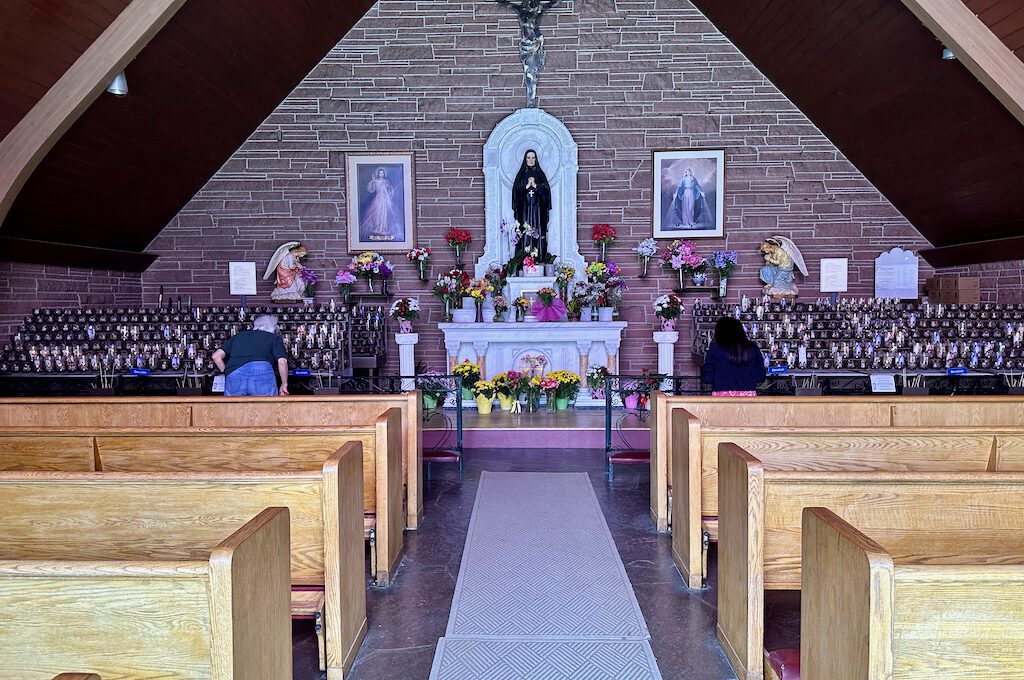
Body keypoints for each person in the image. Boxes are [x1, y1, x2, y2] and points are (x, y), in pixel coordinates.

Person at [212, 314, 289, 397]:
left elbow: (216, 356)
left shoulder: (238, 336)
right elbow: (282, 362)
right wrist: (284, 384)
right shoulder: (273, 338)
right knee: (267, 408)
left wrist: (227, 371)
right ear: (273, 328)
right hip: (262, 374)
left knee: (233, 409)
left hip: (234, 373)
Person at [701, 316, 766, 396]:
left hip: (722, 400)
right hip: (748, 400)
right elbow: (760, 377)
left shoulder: (715, 348)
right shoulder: (752, 348)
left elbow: (707, 377)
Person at [511, 149, 551, 266]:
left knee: (538, 232)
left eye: (533, 158)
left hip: (538, 211)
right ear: (525, 159)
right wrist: (526, 186)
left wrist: (536, 186)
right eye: (529, 158)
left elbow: (546, 192)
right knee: (524, 232)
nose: (531, 160)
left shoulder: (540, 174)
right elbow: (515, 193)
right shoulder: (521, 174)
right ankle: (523, 260)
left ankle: (538, 259)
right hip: (525, 211)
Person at [360, 167, 402, 241]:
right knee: (377, 213)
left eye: (382, 173)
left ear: (384, 174)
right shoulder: (375, 181)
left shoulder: (386, 181)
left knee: (384, 214)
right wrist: (373, 181)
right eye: (380, 173)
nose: (381, 174)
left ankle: (383, 228)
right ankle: (377, 227)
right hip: (378, 198)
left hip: (385, 200)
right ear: (378, 174)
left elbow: (391, 190)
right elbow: (372, 190)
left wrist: (388, 188)